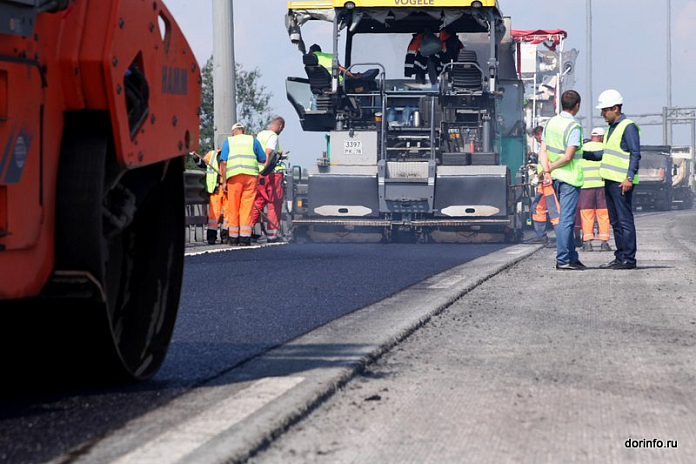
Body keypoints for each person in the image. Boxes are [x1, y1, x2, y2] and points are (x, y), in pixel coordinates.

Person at [590, 89, 641, 270]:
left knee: (624, 220)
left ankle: (629, 259)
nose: (602, 114)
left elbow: (635, 154)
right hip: (610, 181)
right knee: (616, 221)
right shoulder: (612, 128)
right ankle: (620, 257)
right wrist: (582, 153)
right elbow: (606, 154)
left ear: (616, 108)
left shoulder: (628, 127)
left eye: (605, 110)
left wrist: (629, 177)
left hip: (622, 183)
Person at [539, 90, 586, 270]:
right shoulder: (574, 127)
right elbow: (568, 157)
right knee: (566, 219)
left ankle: (572, 257)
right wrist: (551, 168)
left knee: (566, 218)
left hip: (555, 178)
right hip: (569, 178)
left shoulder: (550, 123)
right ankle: (563, 259)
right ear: (577, 106)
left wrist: (547, 171)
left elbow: (543, 151)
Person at [219, 122, 267, 246]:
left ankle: (233, 238)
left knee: (233, 207)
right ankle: (245, 238)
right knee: (247, 207)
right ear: (243, 131)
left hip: (234, 177)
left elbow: (223, 162)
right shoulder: (253, 140)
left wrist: (224, 181)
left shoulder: (229, 141)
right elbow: (263, 158)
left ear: (233, 132)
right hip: (251, 177)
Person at [576, 127, 612, 252]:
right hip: (602, 185)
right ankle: (604, 242)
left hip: (585, 186)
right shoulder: (605, 148)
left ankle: (587, 243)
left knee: (586, 214)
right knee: (603, 214)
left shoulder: (583, 148)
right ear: (601, 137)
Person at [251, 116, 286, 243]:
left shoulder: (261, 134)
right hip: (271, 175)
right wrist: (267, 168)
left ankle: (246, 230)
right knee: (273, 203)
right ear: (280, 127)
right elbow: (268, 152)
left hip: (259, 174)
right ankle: (272, 234)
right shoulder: (273, 136)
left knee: (258, 203)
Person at [193, 149, 228, 245]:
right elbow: (202, 164)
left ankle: (225, 235)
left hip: (227, 188)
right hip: (215, 189)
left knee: (228, 213)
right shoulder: (211, 154)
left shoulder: (231, 152)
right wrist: (195, 157)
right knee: (213, 214)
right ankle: (211, 237)